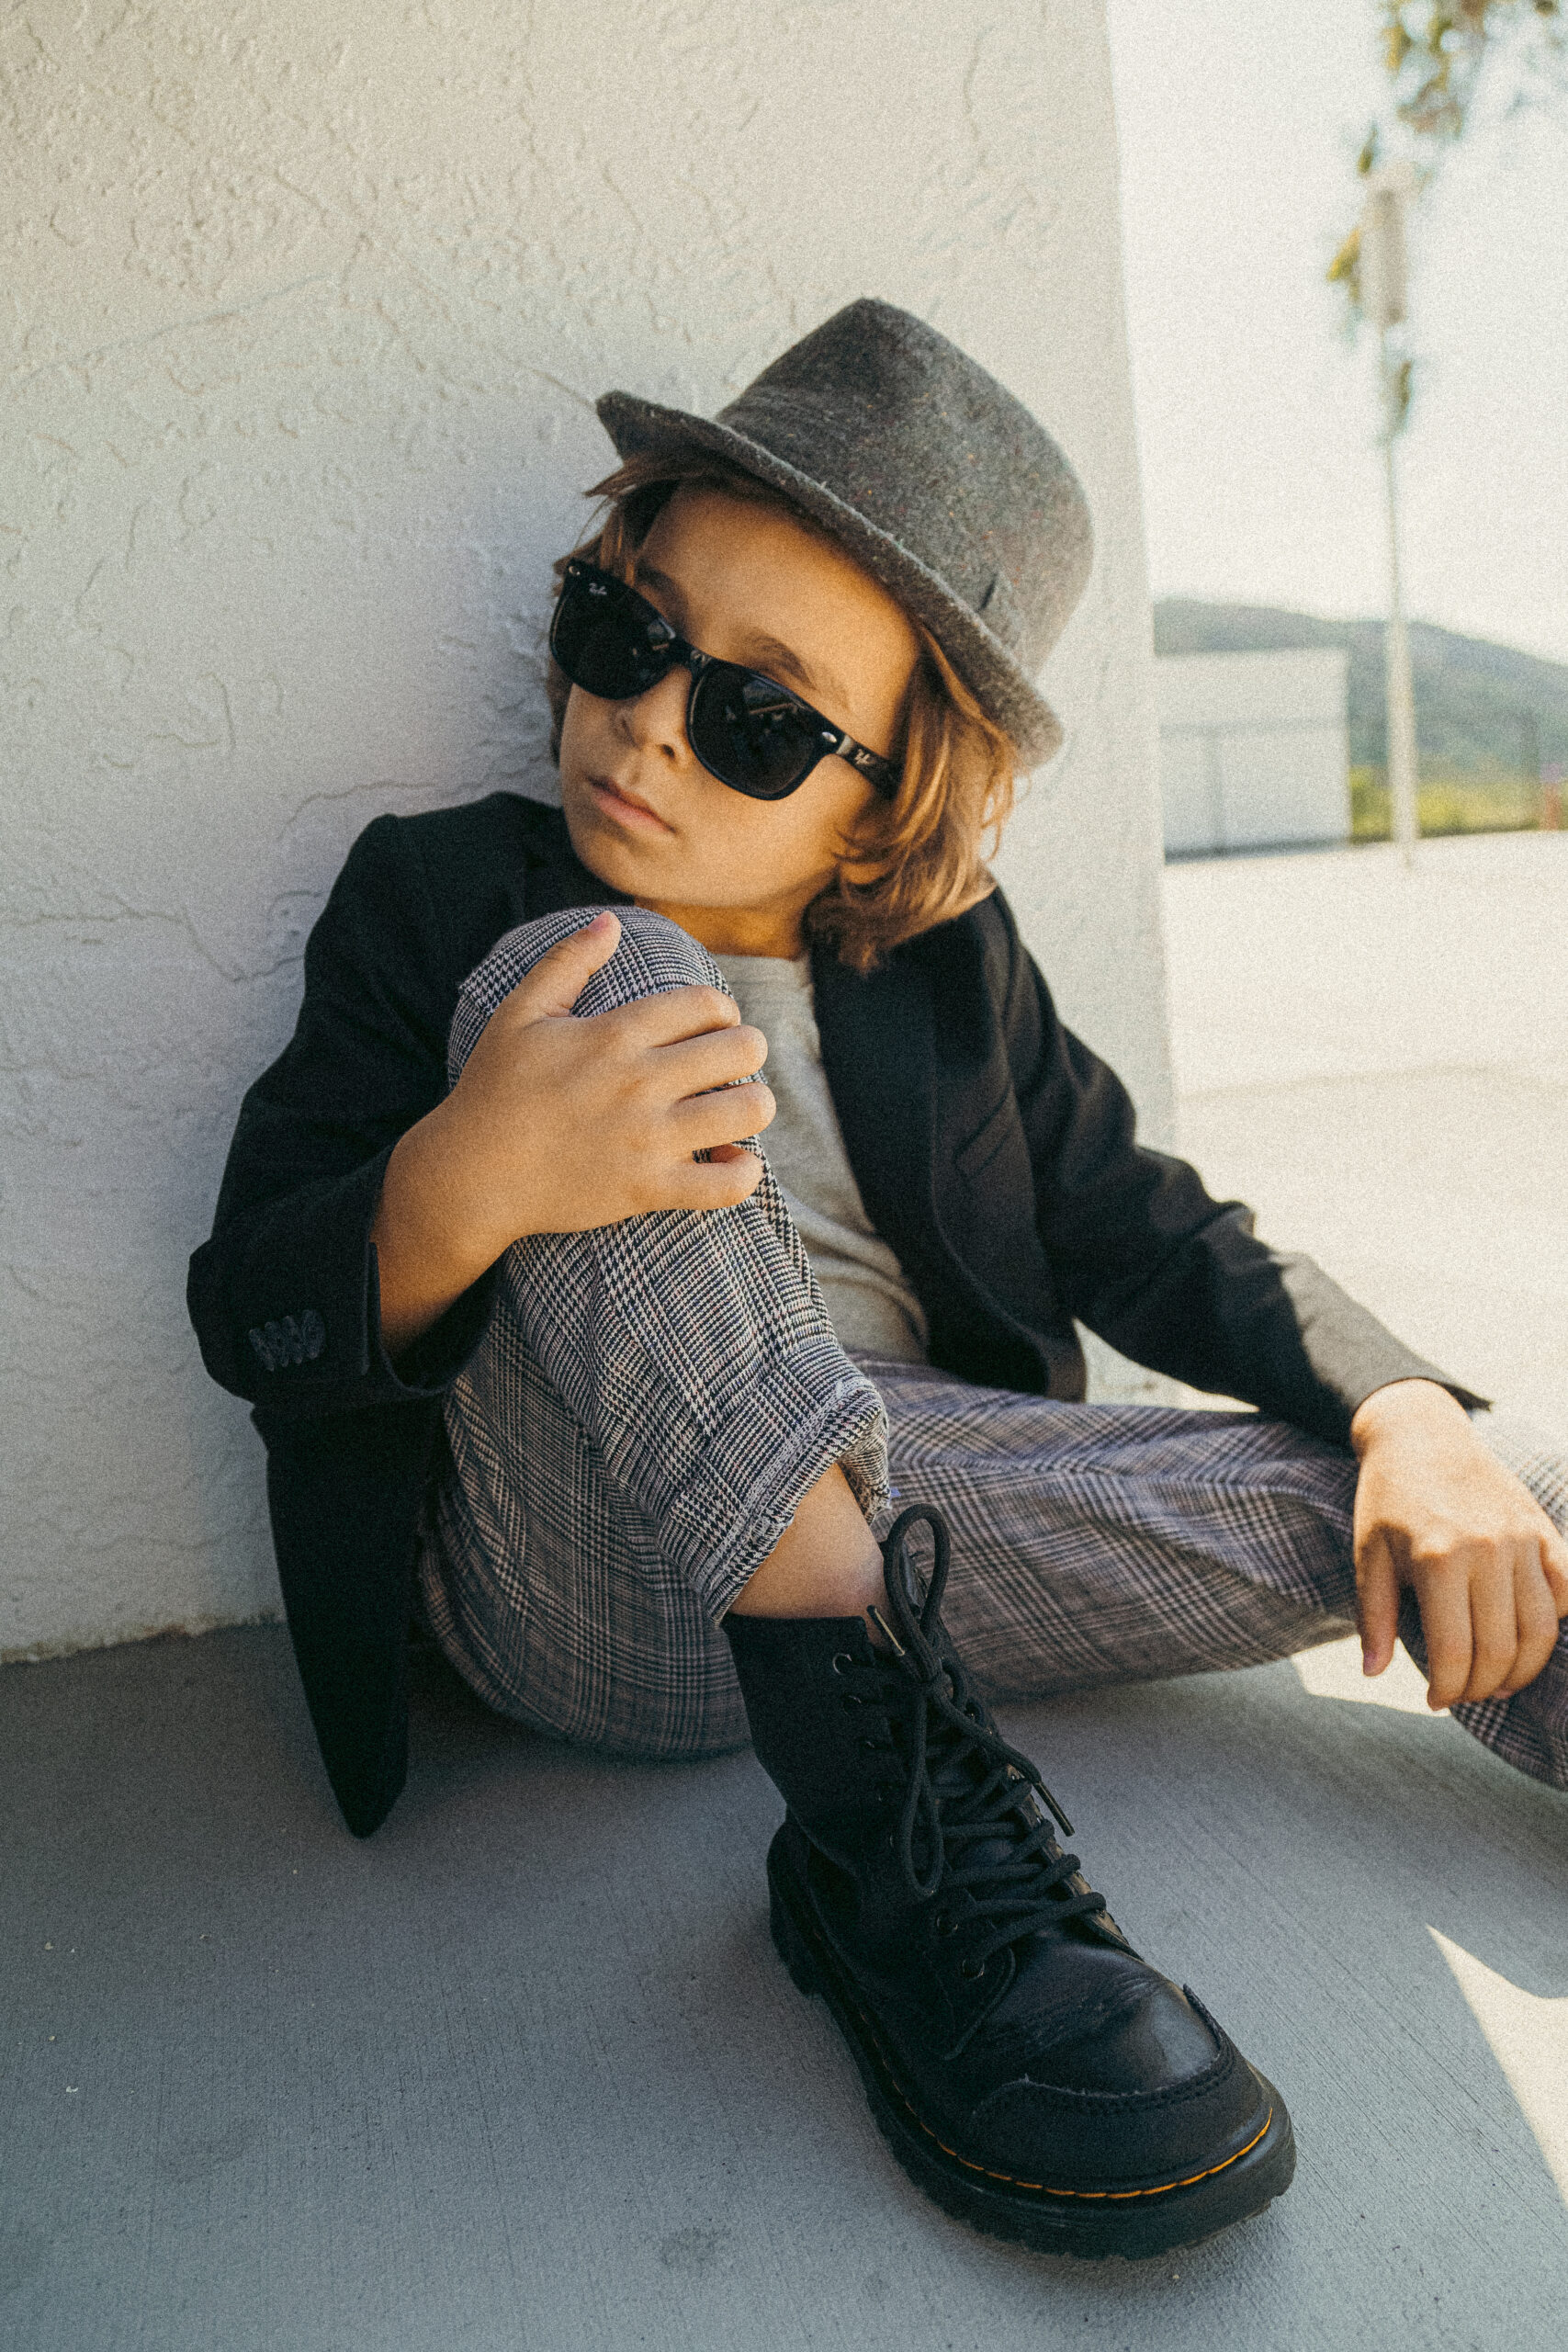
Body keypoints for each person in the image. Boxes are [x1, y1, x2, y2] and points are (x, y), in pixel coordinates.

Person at [187, 299, 1568, 2262]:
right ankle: (890, 1851)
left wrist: (1411, 1413)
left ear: (890, 791)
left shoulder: (946, 968)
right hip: (578, 1565)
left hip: (917, 1521)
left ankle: (916, 1739)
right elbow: (249, 1303)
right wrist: (456, 1176)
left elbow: (1140, 1220)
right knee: (604, 988)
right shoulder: (440, 896)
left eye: (757, 714)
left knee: (1467, 1487)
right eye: (625, 630)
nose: (650, 719)